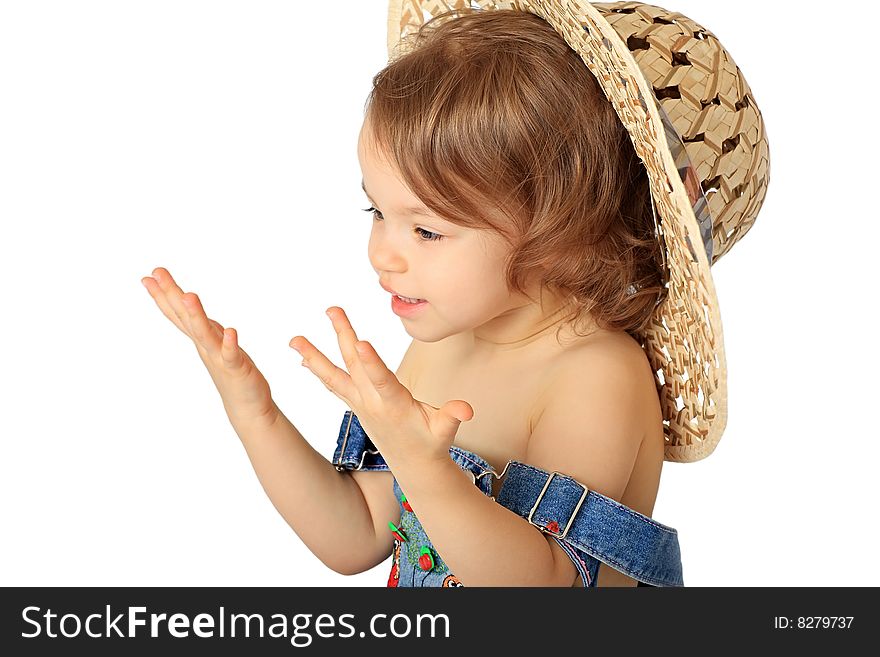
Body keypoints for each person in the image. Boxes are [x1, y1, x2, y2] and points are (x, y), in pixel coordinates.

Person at [141, 1, 769, 587]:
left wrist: (425, 466)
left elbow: (545, 589)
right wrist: (256, 412)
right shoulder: (444, 349)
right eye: (376, 210)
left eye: (426, 229)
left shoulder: (594, 375)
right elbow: (357, 535)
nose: (380, 253)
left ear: (565, 230)